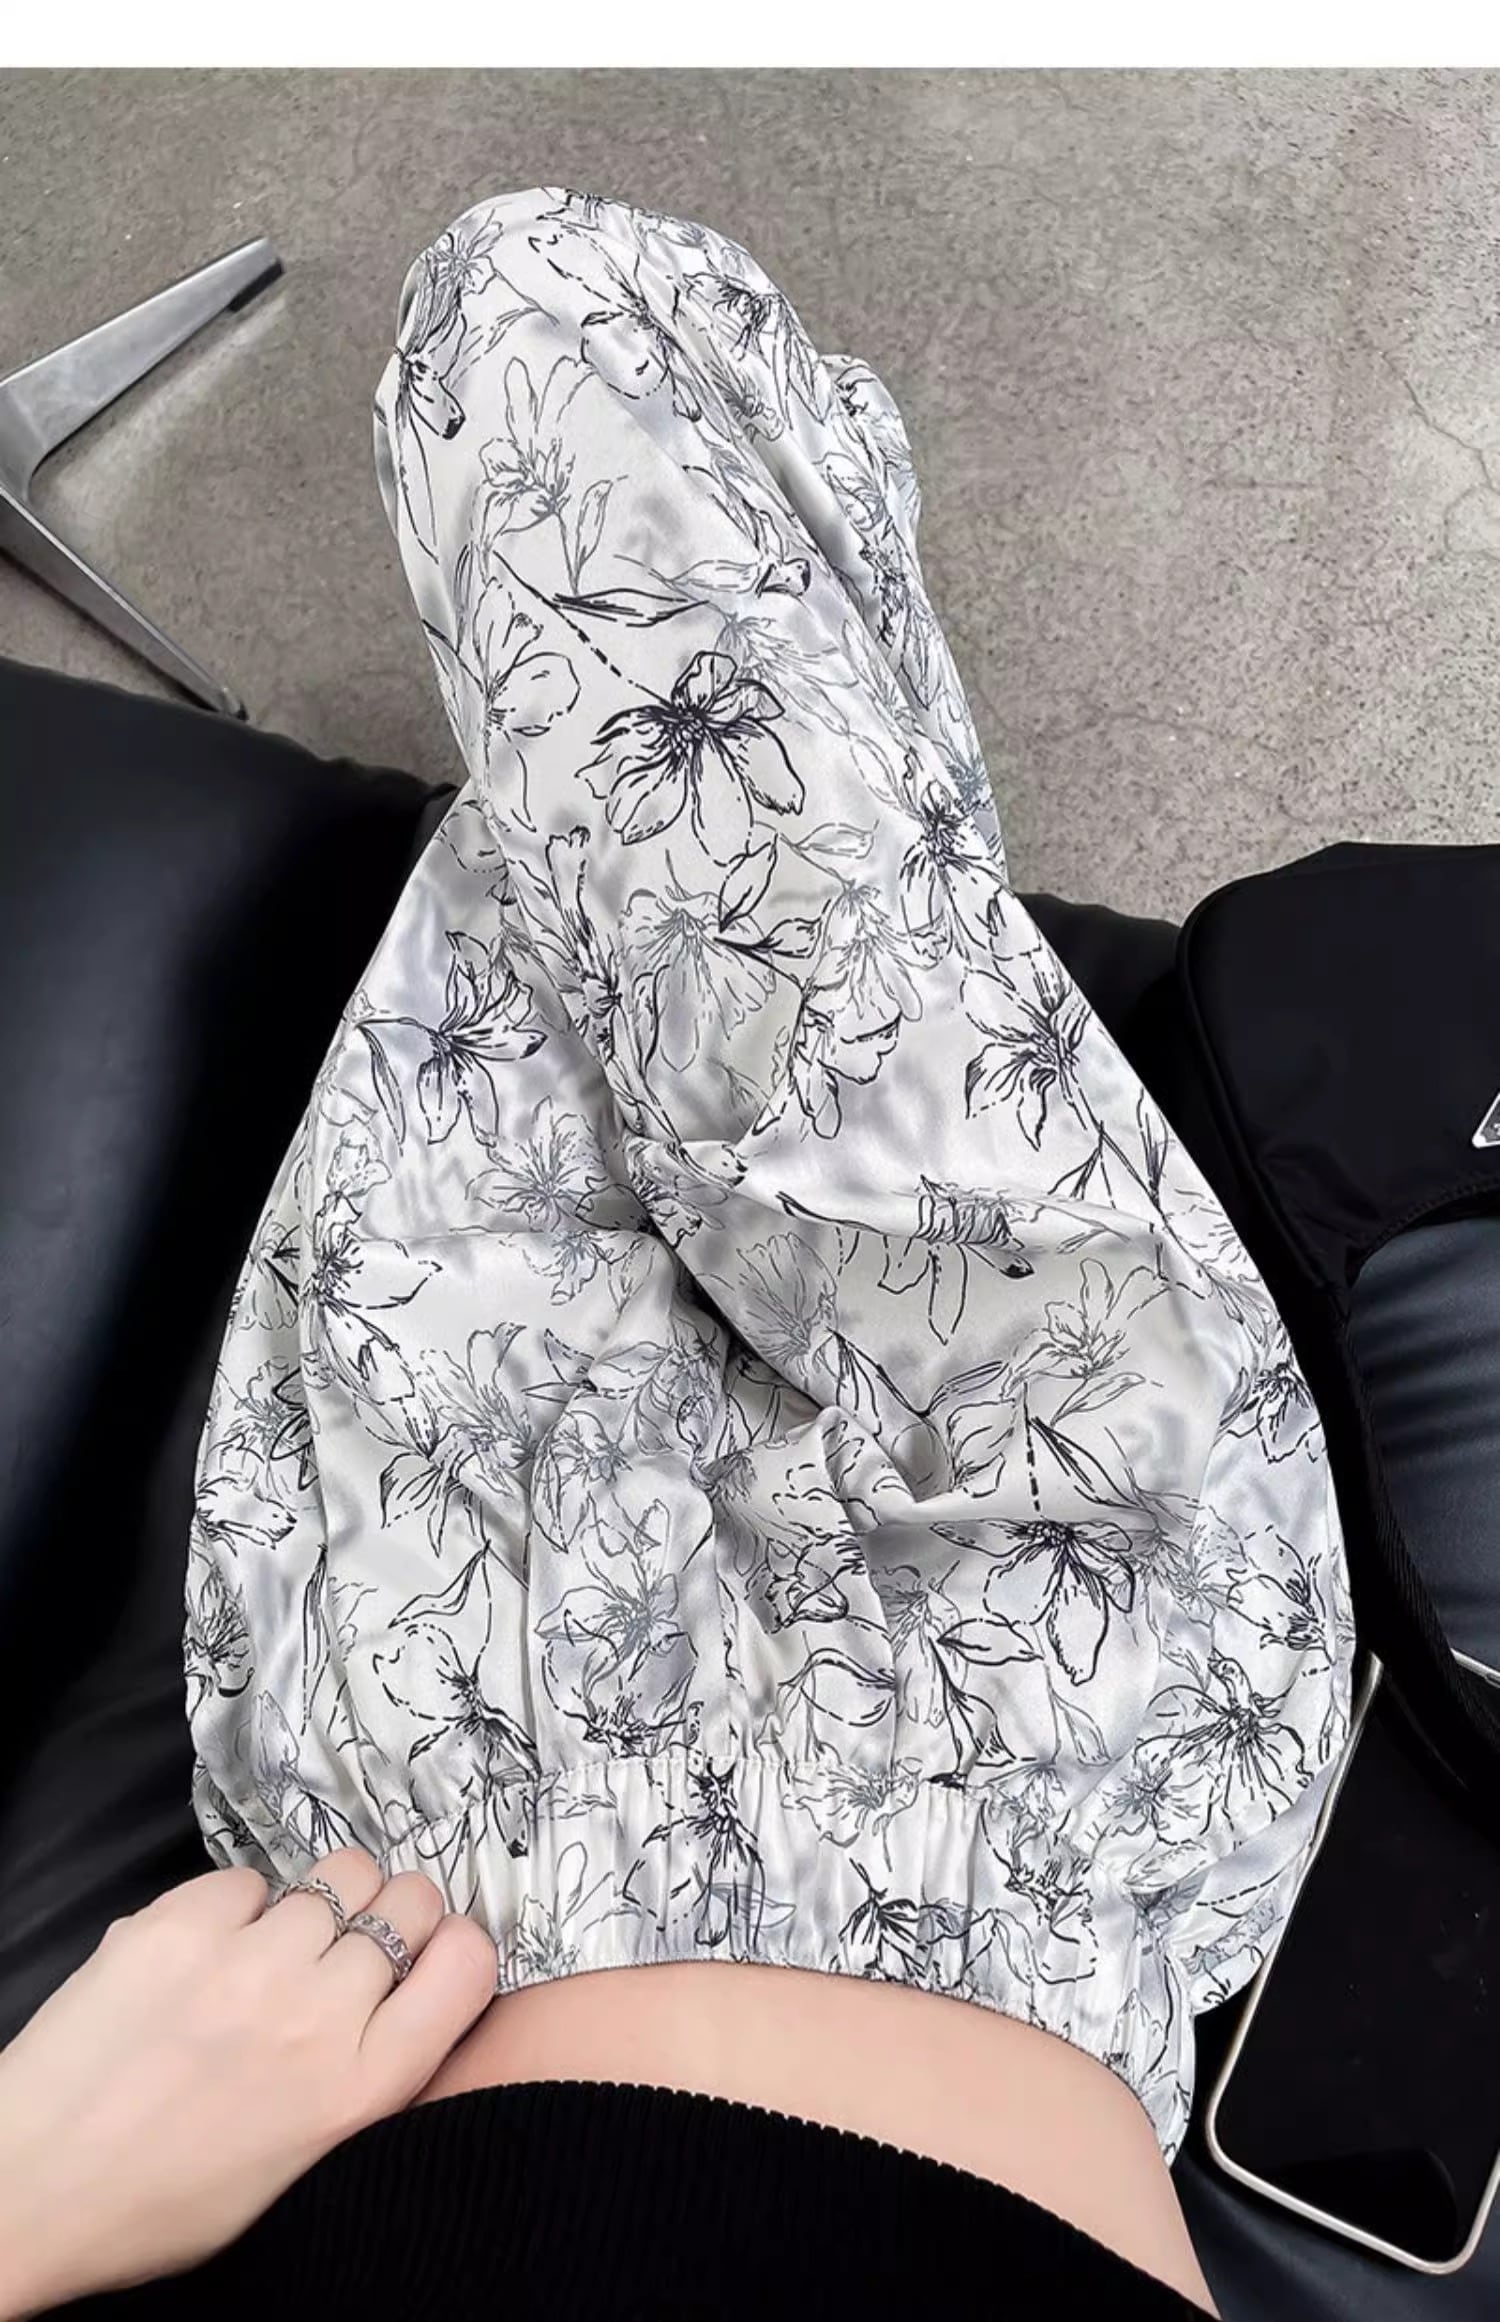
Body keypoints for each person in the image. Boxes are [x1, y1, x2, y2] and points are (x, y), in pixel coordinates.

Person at [0, 190, 1354, 2319]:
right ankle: (848, 618)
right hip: (1044, 1724)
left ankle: (844, 628)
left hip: (444, 1802)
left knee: (532, 340)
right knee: (554, 323)